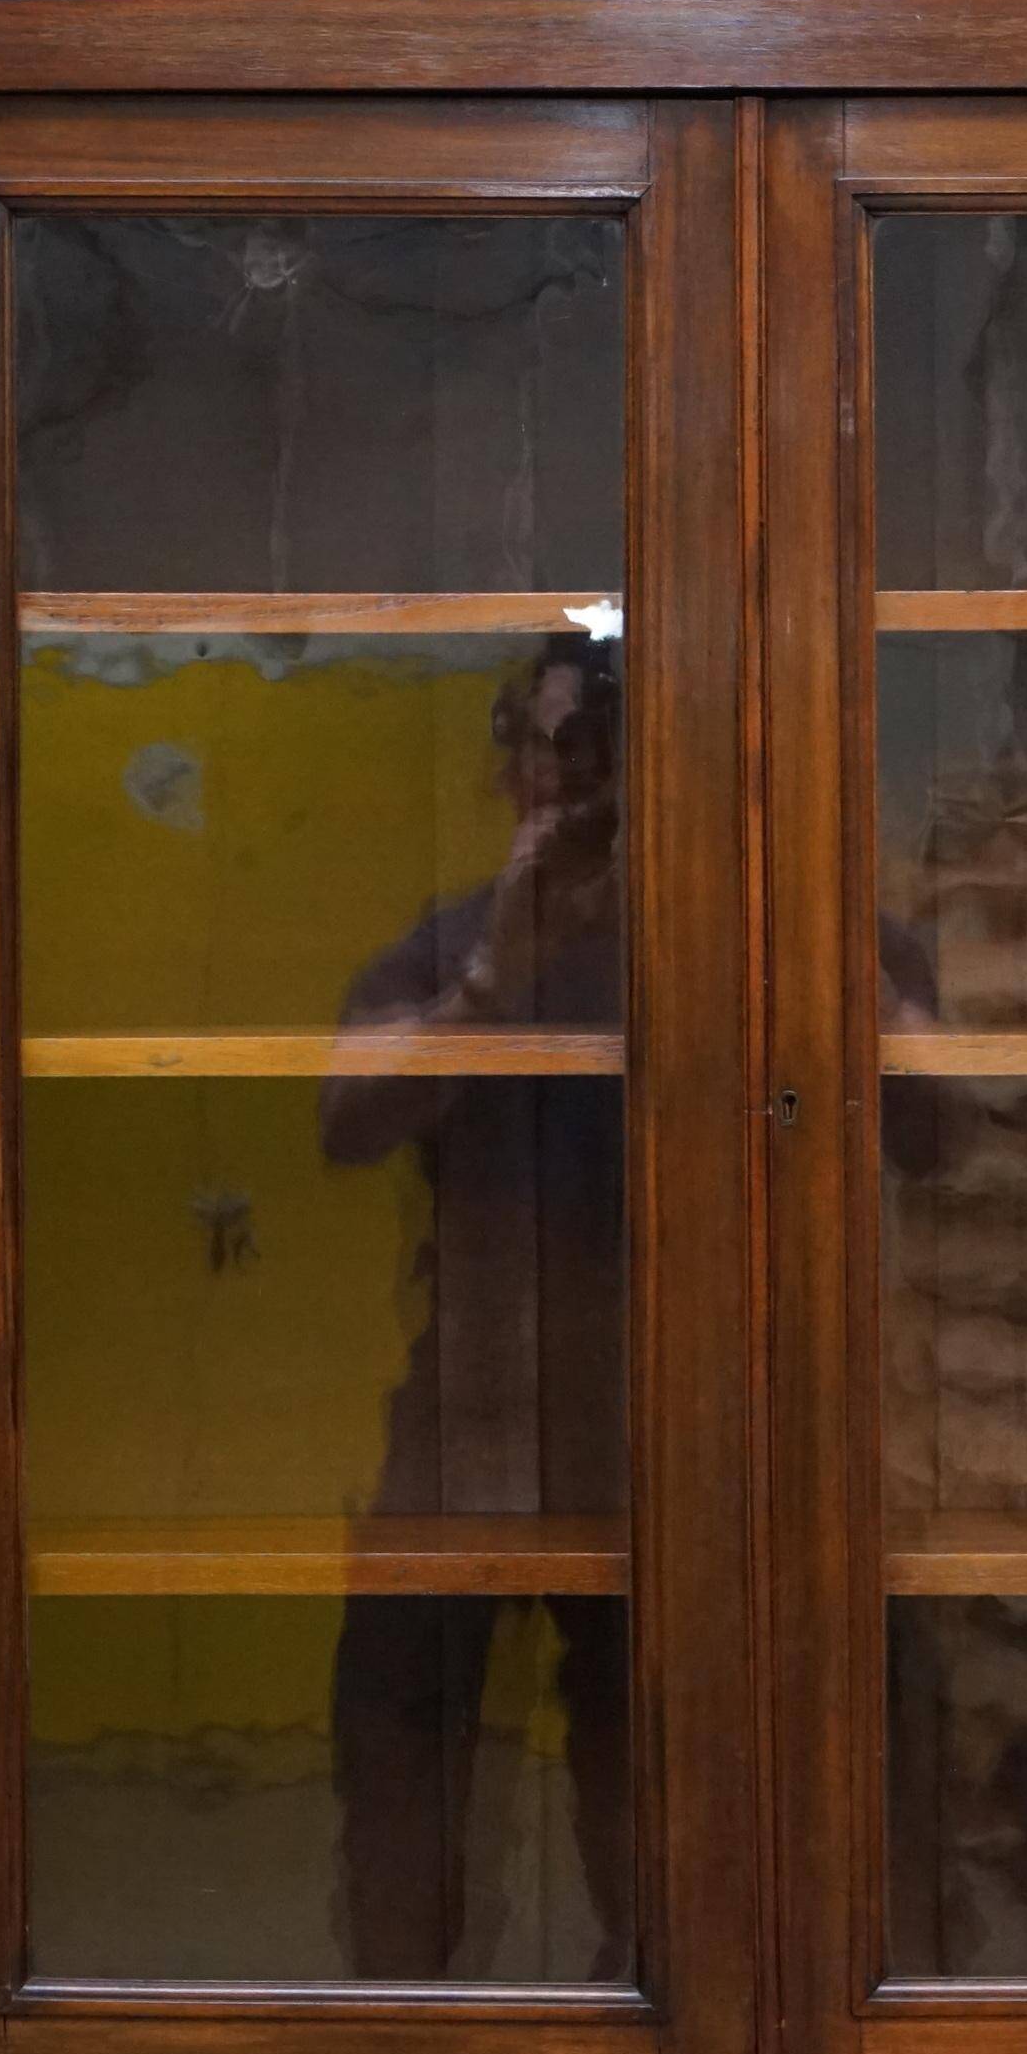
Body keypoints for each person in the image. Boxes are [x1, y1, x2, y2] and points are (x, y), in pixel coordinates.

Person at [320, 634, 631, 1982]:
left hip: (666, 1445)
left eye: (594, 758)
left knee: (663, 1791)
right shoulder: (447, 944)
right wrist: (493, 981)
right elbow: (345, 1122)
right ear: (505, 769)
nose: (558, 784)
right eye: (541, 751)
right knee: (397, 1765)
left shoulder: (747, 926)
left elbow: (929, 1122)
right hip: (465, 1425)